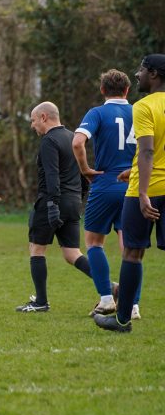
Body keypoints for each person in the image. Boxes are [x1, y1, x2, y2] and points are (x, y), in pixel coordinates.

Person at [95, 54, 165, 333]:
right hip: (147, 180)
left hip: (144, 192)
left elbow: (147, 150)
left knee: (133, 253)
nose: (137, 75)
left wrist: (144, 191)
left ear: (155, 74)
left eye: (141, 70)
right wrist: (133, 171)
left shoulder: (144, 106)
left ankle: (122, 320)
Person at [72, 70, 139, 318]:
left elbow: (78, 142)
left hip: (105, 181)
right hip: (134, 185)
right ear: (127, 90)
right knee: (131, 248)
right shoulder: (139, 111)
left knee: (93, 243)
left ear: (102, 90)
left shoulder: (97, 113)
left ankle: (107, 298)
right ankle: (132, 306)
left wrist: (86, 170)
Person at [16, 102, 94, 313]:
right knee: (72, 253)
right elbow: (83, 173)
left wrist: (51, 205)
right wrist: (80, 197)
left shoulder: (49, 141)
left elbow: (51, 175)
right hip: (73, 202)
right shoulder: (72, 137)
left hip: (52, 201)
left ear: (43, 117)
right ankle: (110, 287)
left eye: (33, 120)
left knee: (36, 249)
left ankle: (40, 301)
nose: (33, 126)